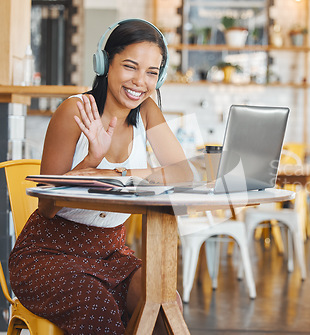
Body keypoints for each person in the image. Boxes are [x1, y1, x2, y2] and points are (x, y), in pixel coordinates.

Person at [8, 19, 192, 334]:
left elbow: (183, 174)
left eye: (151, 72)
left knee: (166, 302)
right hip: (50, 255)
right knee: (97, 308)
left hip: (111, 254)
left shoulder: (147, 112)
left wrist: (118, 172)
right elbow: (47, 207)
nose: (140, 81)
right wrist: (92, 160)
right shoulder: (74, 111)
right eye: (130, 67)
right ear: (105, 63)